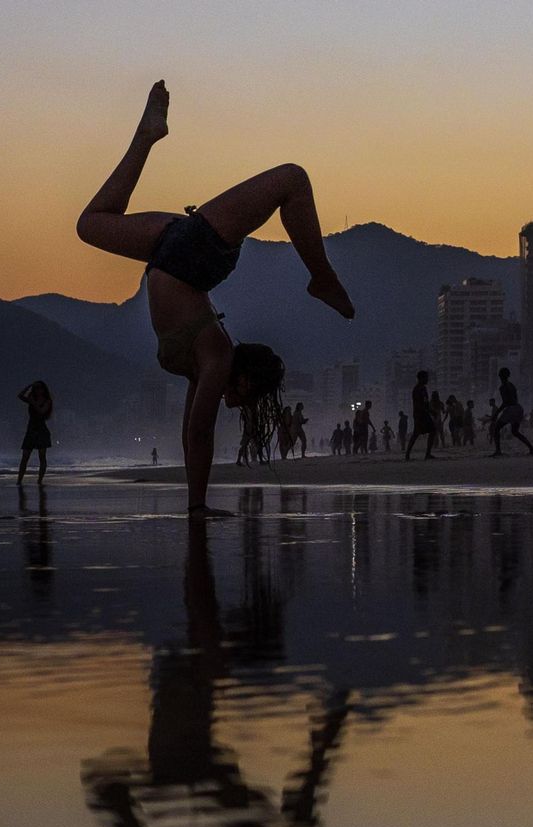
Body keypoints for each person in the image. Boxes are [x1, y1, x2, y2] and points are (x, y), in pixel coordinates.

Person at [76, 81, 346, 514]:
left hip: (169, 250)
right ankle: (322, 277)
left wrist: (195, 505)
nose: (236, 404)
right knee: (292, 179)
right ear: (245, 380)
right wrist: (198, 508)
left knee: (90, 224)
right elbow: (201, 433)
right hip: (195, 256)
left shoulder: (205, 366)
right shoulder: (217, 358)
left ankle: (147, 136)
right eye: (247, 398)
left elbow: (190, 433)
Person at [490, 368, 533, 456]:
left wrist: (496, 413)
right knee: (515, 431)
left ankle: (498, 451)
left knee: (496, 429)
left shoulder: (502, 387)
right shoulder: (511, 385)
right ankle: (532, 448)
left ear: (500, 376)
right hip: (518, 408)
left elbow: (505, 402)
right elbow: (514, 399)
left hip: (511, 409)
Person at [17, 380, 54, 486]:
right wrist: (29, 386)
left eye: (40, 388)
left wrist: (33, 402)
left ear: (43, 389)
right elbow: (20, 395)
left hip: (41, 430)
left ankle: (39, 480)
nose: (38, 390)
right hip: (31, 430)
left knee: (42, 457)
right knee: (25, 456)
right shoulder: (32, 399)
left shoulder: (47, 401)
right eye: (36, 388)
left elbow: (42, 411)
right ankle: (19, 480)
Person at [404, 371, 435, 460]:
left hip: (424, 413)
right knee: (416, 433)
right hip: (419, 414)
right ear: (421, 378)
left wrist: (430, 410)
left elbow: (426, 402)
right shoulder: (417, 389)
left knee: (432, 430)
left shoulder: (424, 389)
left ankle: (427, 453)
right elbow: (418, 404)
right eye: (426, 378)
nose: (427, 379)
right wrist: (427, 410)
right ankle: (407, 454)